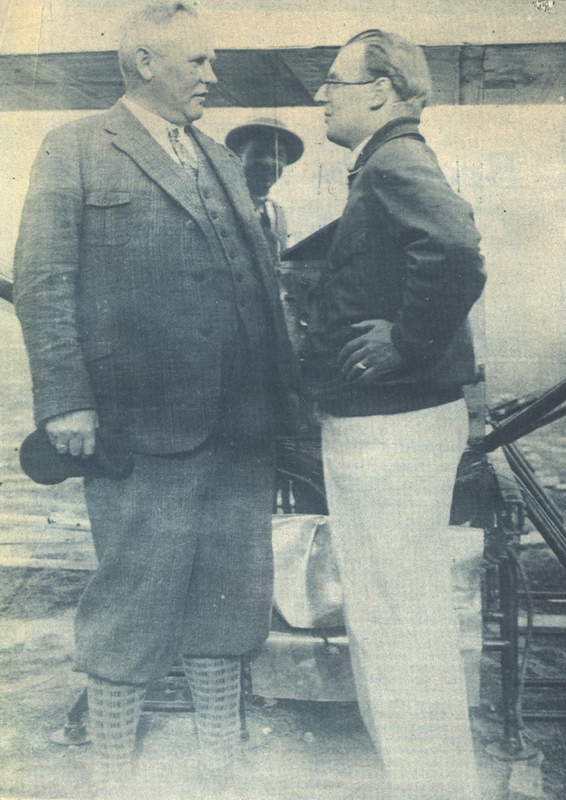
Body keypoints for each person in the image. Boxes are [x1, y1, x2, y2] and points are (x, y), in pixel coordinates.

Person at [13, 3, 297, 797]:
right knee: (132, 598)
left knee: (232, 598)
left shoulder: (218, 156)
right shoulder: (73, 148)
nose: (213, 75)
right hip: (141, 424)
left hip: (243, 426)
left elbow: (261, 292)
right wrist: (66, 402)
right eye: (198, 62)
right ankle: (111, 774)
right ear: (144, 61)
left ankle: (219, 770)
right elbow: (42, 279)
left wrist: (285, 406)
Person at [306, 29, 487, 800]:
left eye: (334, 82)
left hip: (390, 427)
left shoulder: (394, 160)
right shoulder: (385, 161)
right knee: (392, 613)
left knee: (396, 619)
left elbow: (454, 246)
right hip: (395, 423)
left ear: (379, 90)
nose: (322, 94)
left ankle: (434, 786)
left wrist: (408, 343)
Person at [225, 117, 303, 261]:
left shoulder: (276, 213)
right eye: (259, 154)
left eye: (278, 156)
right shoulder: (223, 207)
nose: (268, 163)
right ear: (238, 157)